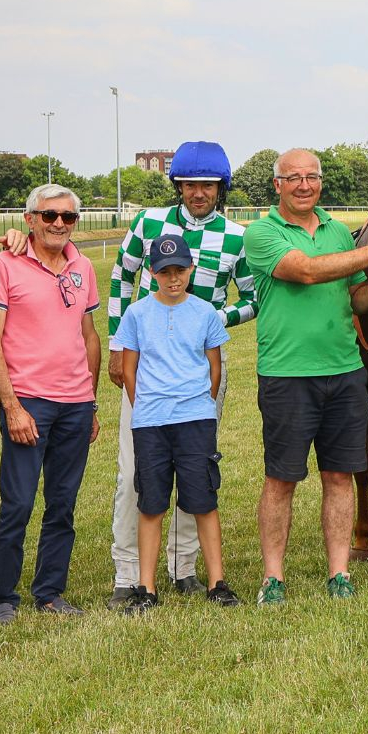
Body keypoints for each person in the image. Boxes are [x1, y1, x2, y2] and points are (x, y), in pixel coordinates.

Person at [243, 149, 368, 604]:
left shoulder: (339, 232)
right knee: (281, 480)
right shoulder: (262, 233)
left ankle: (339, 572)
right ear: (277, 185)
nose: (304, 185)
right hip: (287, 374)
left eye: (312, 177)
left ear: (320, 182)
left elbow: (352, 298)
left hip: (344, 371)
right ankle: (272, 578)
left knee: (340, 476)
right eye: (294, 177)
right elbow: (304, 272)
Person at [103, 139, 257, 611]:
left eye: (208, 185)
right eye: (190, 184)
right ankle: (129, 573)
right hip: (147, 359)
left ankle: (184, 566)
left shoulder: (237, 237)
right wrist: (116, 344)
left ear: (220, 188)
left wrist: (207, 321)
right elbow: (121, 278)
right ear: (178, 186)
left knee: (197, 468)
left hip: (201, 363)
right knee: (135, 470)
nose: (198, 193)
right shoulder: (149, 222)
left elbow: (254, 298)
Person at [0, 184, 104, 624]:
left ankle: (50, 592)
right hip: (29, 402)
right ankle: (3, 598)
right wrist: (12, 406)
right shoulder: (3, 264)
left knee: (63, 504)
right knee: (18, 503)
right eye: (49, 215)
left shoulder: (82, 266)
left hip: (76, 405)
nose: (58, 224)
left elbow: (89, 336)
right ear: (30, 219)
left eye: (68, 217)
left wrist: (91, 402)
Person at [111, 234, 237, 612]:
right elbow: (129, 369)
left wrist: (199, 404)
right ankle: (146, 588)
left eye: (180, 270)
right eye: (165, 272)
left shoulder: (204, 313)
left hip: (195, 419)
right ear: (152, 273)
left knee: (203, 500)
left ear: (191, 269)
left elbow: (214, 367)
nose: (173, 278)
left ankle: (217, 583)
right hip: (151, 422)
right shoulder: (137, 314)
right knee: (151, 503)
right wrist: (147, 407)